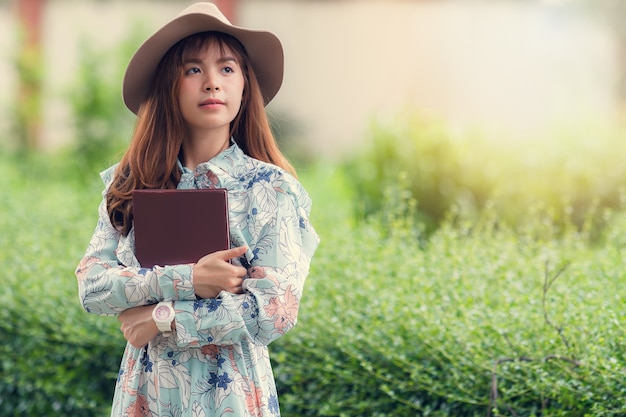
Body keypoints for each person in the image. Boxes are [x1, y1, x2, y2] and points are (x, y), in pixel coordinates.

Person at [75, 3, 319, 416]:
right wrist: (191, 279)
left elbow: (274, 311)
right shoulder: (130, 184)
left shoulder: (270, 190)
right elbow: (93, 285)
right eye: (193, 70)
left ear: (245, 86)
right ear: (171, 86)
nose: (211, 83)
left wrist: (162, 316)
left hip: (232, 401)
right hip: (146, 397)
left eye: (227, 69)